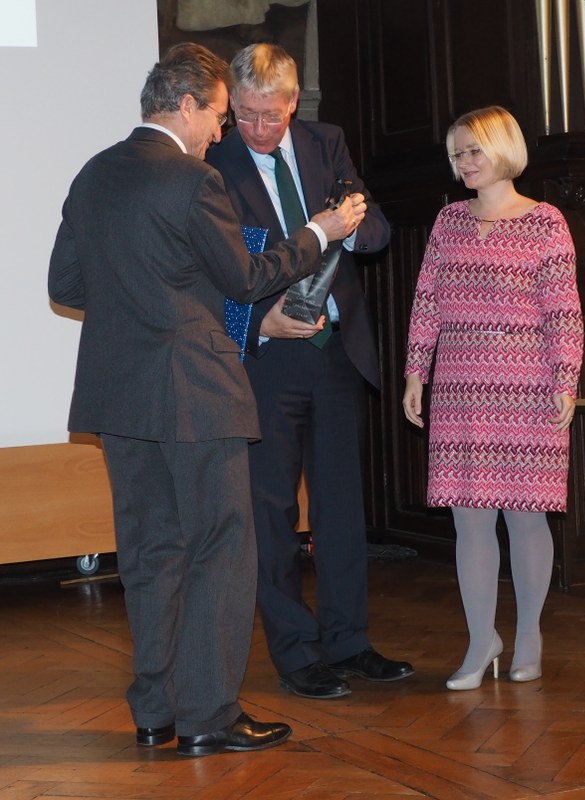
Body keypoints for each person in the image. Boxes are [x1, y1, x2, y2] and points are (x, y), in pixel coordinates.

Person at [48, 42, 359, 756]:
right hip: (197, 393)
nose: (218, 132)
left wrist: (146, 299)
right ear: (185, 105)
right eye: (217, 115)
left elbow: (66, 287)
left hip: (118, 399)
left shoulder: (93, 175)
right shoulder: (192, 180)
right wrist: (320, 231)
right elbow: (248, 278)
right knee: (221, 550)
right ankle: (208, 717)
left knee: (152, 554)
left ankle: (155, 712)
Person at [206, 43, 414, 699]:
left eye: (270, 114)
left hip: (336, 355)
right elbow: (210, 266)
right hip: (265, 359)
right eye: (244, 114)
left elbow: (376, 233)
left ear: (293, 101)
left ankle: (348, 641)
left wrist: (345, 228)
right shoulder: (212, 159)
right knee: (270, 515)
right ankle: (296, 651)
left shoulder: (328, 143)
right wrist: (260, 319)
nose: (258, 129)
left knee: (342, 510)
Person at [402, 106, 583, 690]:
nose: (464, 163)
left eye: (474, 150)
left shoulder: (546, 222)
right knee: (469, 521)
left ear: (503, 149)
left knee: (527, 518)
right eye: (457, 154)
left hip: (527, 390)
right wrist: (415, 374)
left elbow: (564, 310)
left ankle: (528, 633)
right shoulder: (449, 221)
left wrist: (566, 379)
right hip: (458, 390)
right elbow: (427, 301)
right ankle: (482, 639)